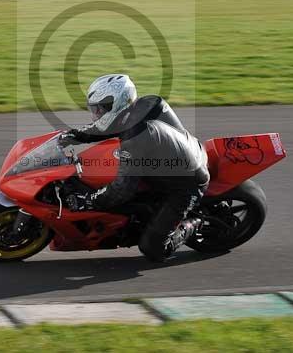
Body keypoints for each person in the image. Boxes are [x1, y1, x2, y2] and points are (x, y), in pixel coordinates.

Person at [58, 74, 209, 262]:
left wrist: (88, 201)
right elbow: (109, 126)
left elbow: (121, 190)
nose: (97, 114)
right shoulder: (148, 104)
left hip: (187, 185)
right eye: (95, 109)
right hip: (176, 157)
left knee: (153, 248)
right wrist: (76, 135)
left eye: (100, 109)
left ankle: (196, 222)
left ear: (118, 103)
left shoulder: (136, 140)